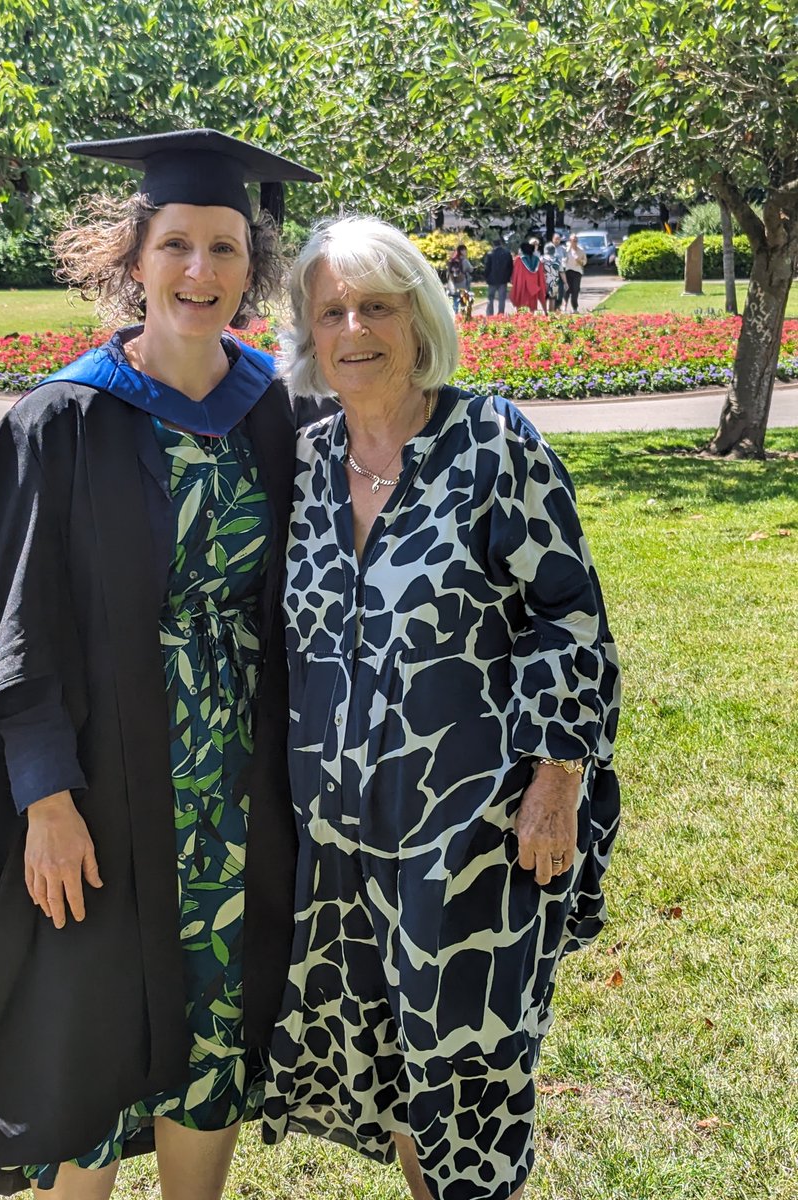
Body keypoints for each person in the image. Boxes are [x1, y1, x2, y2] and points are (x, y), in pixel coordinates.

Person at [0, 130, 319, 1197]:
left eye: (225, 249)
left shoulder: (276, 411)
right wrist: (44, 797)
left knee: (216, 1016)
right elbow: (10, 618)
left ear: (250, 267)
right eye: (176, 244)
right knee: (85, 1025)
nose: (199, 272)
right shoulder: (63, 421)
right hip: (101, 786)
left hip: (239, 783)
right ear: (133, 260)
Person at [262, 217, 620, 1200]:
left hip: (471, 843)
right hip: (337, 850)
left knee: (469, 1084)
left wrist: (556, 779)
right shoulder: (299, 461)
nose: (352, 329)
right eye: (330, 310)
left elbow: (568, 617)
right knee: (392, 1078)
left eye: (375, 306)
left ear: (418, 318)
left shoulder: (492, 444)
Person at [509, 239, 548, 314]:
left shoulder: (519, 260)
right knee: (532, 304)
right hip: (534, 285)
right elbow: (540, 275)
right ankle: (531, 317)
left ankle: (519, 317)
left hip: (522, 285)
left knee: (520, 302)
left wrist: (513, 280)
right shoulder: (537, 260)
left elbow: (515, 274)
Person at [482, 235, 514, 316]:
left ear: (493, 244)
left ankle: (489, 314)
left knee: (490, 298)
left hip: (492, 279)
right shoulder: (507, 253)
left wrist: (486, 277)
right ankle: (500, 314)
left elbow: (487, 267)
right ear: (501, 244)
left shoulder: (490, 254)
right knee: (501, 299)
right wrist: (508, 277)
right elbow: (510, 267)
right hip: (503, 280)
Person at [445, 243, 473, 314]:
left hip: (453, 282)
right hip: (462, 282)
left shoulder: (453, 260)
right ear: (461, 251)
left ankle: (455, 314)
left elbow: (448, 271)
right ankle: (463, 315)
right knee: (463, 299)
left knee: (455, 299)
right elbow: (471, 269)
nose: (466, 252)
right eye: (465, 250)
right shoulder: (464, 260)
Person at [564, 232, 588, 312]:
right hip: (567, 272)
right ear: (570, 241)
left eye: (576, 241)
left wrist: (579, 261)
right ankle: (564, 307)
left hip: (577, 272)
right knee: (566, 290)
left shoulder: (581, 250)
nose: (575, 242)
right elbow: (562, 260)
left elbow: (584, 262)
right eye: (573, 240)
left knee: (575, 290)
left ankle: (575, 308)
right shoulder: (566, 250)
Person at [542, 242, 562, 312]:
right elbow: (561, 271)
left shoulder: (542, 259)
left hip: (544, 281)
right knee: (552, 299)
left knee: (544, 298)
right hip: (554, 281)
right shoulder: (557, 260)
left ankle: (545, 314)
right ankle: (551, 313)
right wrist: (565, 282)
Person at [551, 233, 568, 310]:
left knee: (561, 291)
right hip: (552, 273)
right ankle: (554, 307)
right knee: (553, 291)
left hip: (561, 272)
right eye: (556, 239)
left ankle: (558, 304)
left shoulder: (563, 249)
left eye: (558, 239)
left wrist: (564, 261)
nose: (557, 240)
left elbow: (566, 258)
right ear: (553, 239)